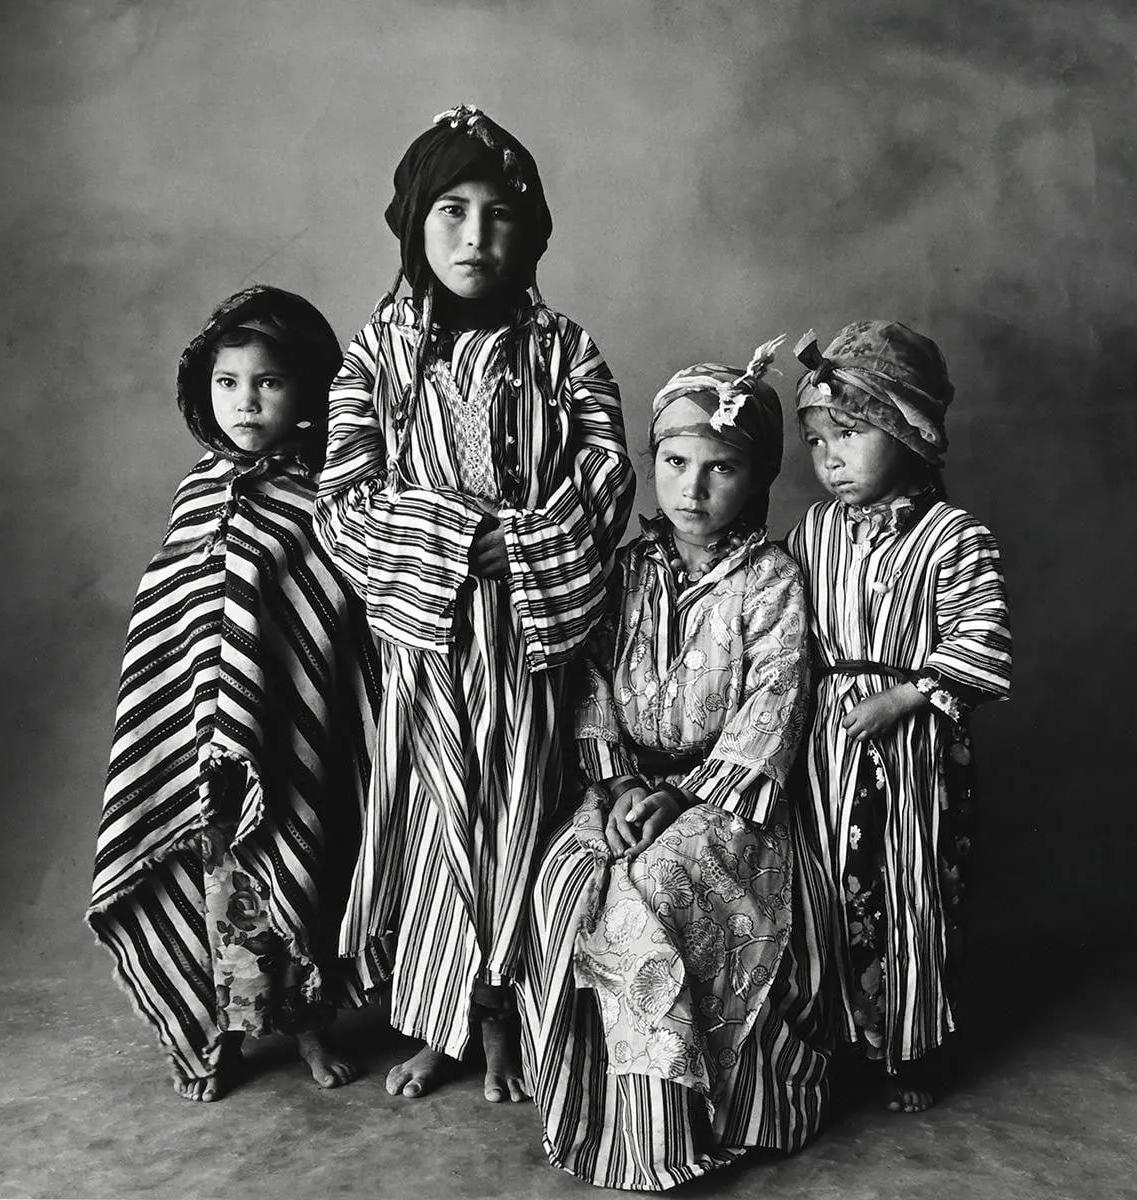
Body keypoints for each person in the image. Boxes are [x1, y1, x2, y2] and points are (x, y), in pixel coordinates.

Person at [315, 105, 635, 1103]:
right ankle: (444, 1023)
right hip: (430, 642)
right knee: (434, 822)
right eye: (450, 211)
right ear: (415, 224)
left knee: (527, 819)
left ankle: (514, 1017)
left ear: (529, 233)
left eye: (499, 216)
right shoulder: (377, 354)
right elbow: (344, 494)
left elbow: (609, 475)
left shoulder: (565, 351)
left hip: (536, 642)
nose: (474, 237)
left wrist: (522, 540)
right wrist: (459, 539)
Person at [520, 348, 832, 1190]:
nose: (692, 488)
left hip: (729, 804)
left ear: (760, 475)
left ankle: (664, 1136)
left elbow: (777, 705)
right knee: (567, 875)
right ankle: (588, 1110)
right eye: (675, 463)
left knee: (648, 888)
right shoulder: (625, 571)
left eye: (721, 468)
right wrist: (619, 782)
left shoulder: (771, 582)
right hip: (626, 783)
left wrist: (680, 795)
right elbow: (588, 677)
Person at [88, 286, 382, 1101]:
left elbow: (331, 616)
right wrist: (202, 705)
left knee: (297, 867)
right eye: (228, 383)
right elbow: (168, 614)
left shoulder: (326, 493)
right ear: (203, 390)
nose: (245, 402)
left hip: (287, 736)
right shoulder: (200, 490)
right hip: (201, 744)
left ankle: (312, 1027)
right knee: (223, 887)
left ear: (309, 391)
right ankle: (217, 1031)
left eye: (269, 382)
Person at [785, 320, 1012, 1113]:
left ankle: (911, 1049)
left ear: (908, 432)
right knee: (828, 885)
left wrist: (908, 697)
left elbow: (981, 640)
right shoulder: (814, 533)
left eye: (851, 434)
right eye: (818, 442)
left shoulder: (955, 538)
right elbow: (791, 630)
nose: (832, 458)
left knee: (908, 887)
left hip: (914, 752)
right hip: (826, 747)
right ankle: (837, 1040)